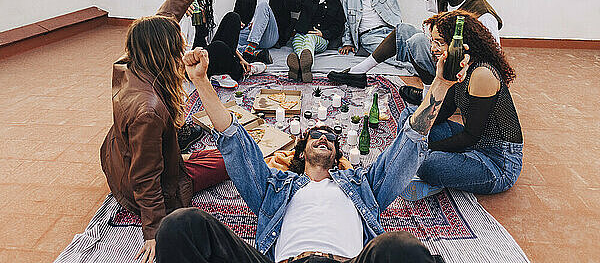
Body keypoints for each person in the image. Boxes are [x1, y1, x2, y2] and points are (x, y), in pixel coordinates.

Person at [152, 45, 470, 263]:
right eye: (315, 137)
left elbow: (410, 142)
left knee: (401, 247)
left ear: (336, 154)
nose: (323, 138)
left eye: (330, 139)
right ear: (301, 152)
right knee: (180, 224)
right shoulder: (275, 186)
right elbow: (233, 141)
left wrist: (440, 85)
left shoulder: (364, 185)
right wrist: (200, 82)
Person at [99, 0, 231, 263]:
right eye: (176, 47)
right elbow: (146, 177)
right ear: (163, 53)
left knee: (197, 138)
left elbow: (165, 16)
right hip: (139, 184)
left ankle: (186, 155)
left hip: (115, 155)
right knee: (226, 158)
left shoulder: (127, 64)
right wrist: (154, 232)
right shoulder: (149, 110)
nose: (181, 49)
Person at [329, 0, 502, 103]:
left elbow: (493, 59)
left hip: (463, 77)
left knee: (417, 41)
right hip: (442, 62)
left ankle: (441, 98)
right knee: (405, 32)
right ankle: (359, 72)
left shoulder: (481, 13)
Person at [401, 11, 522, 199]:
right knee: (411, 116)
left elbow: (471, 136)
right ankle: (446, 174)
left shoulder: (482, 74)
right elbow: (443, 112)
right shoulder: (456, 66)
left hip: (497, 162)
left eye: (440, 42)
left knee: (427, 163)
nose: (433, 48)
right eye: (432, 41)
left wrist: (425, 148)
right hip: (474, 144)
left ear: (460, 43)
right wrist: (440, 80)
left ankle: (438, 177)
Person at [178, 0, 265, 88]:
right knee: (219, 47)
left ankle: (234, 68)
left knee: (233, 17)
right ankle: (240, 70)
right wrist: (183, 8)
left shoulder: (207, 9)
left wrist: (241, 58)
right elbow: (179, 51)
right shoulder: (183, 11)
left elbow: (223, 42)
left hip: (210, 55)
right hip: (194, 65)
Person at [285, 0, 345, 82]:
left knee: (309, 38)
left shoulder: (335, 3)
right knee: (299, 44)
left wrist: (323, 33)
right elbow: (291, 7)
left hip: (321, 40)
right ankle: (301, 69)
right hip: (300, 35)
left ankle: (303, 67)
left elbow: (339, 26)